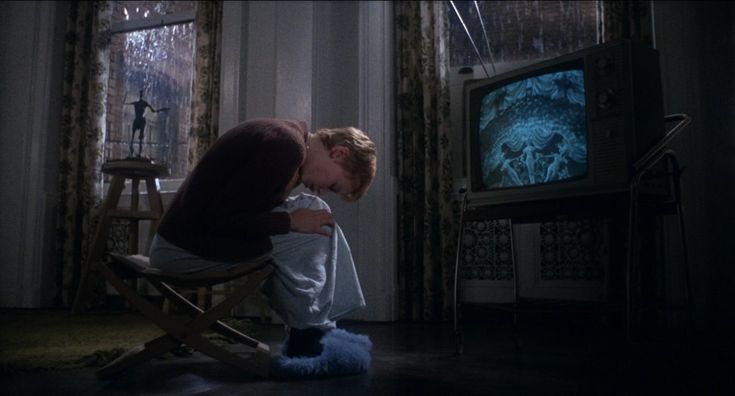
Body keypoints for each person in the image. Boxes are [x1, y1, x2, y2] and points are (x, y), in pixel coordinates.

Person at [150, 118, 377, 358]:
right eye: (332, 185)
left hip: (190, 239)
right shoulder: (286, 148)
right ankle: (309, 335)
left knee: (316, 210)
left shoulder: (290, 141)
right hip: (182, 249)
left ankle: (316, 325)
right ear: (339, 153)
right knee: (314, 231)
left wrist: (296, 220)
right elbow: (222, 220)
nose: (322, 190)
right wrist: (290, 222)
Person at [127, 90, 168, 157]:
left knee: (140, 137)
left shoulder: (143, 103)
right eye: (140, 94)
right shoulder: (137, 103)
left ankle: (139, 152)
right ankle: (132, 149)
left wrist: (160, 110)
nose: (141, 95)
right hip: (137, 119)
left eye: (141, 94)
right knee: (133, 135)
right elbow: (153, 110)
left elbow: (153, 110)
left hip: (141, 120)